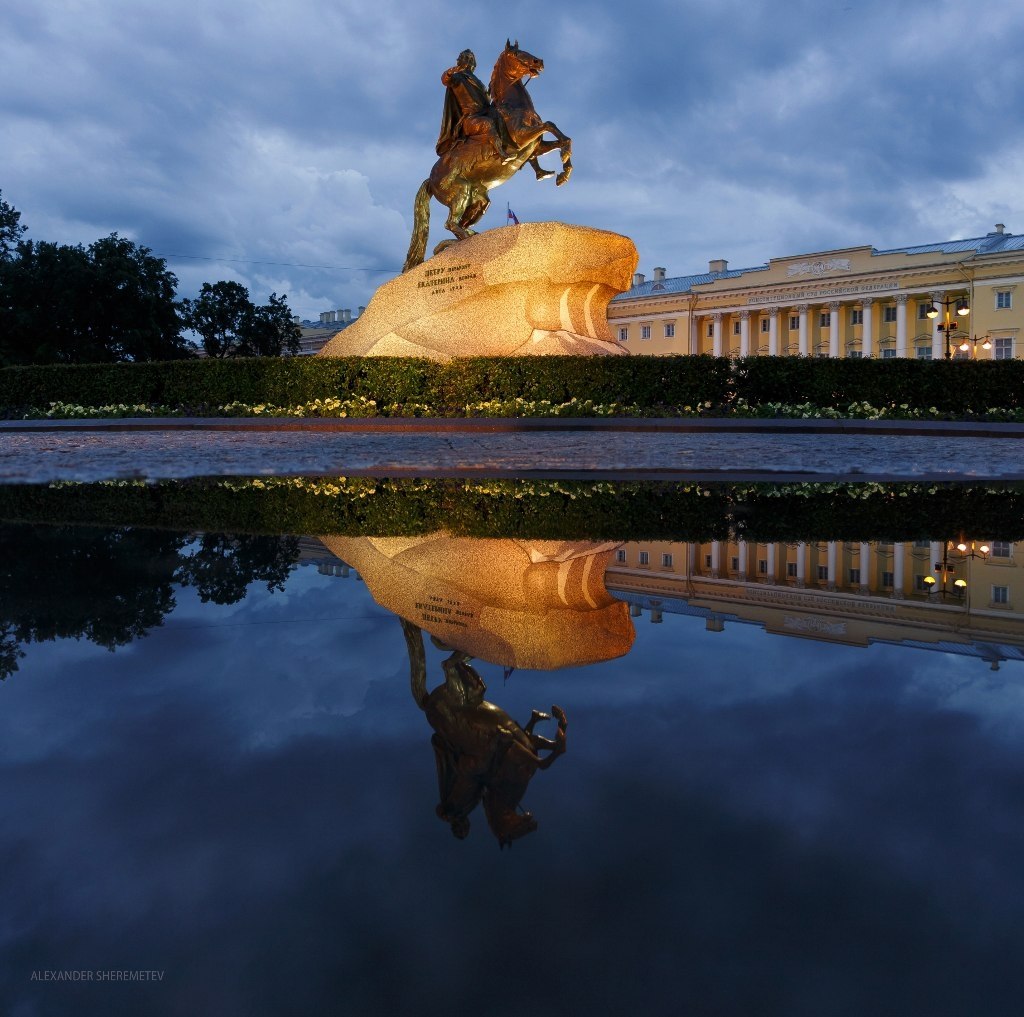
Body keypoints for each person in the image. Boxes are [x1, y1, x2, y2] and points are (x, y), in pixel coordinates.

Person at [436, 49, 518, 163]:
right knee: (487, 124)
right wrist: (452, 71)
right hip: (470, 118)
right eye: (465, 58)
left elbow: (486, 100)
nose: (468, 61)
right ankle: (501, 153)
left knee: (507, 116)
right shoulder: (458, 77)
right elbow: (445, 79)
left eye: (470, 59)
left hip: (484, 112)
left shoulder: (478, 81)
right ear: (459, 61)